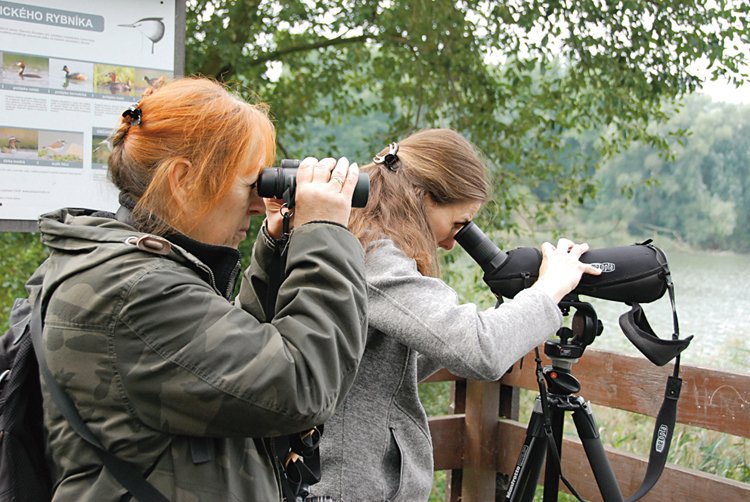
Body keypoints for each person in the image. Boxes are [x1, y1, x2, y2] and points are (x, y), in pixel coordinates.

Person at [29, 77, 368, 501]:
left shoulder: (126, 267)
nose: (256, 203)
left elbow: (224, 364)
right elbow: (301, 384)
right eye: (250, 185)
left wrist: (276, 248)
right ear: (183, 179)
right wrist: (325, 232)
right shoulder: (135, 289)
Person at [312, 128, 602, 501]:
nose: (452, 243)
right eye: (458, 224)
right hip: (346, 487)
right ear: (422, 197)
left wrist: (512, 319)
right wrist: (550, 289)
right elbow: (480, 351)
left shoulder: (358, 238)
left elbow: (380, 366)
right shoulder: (374, 256)